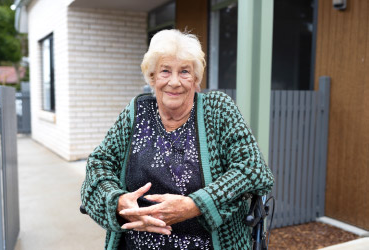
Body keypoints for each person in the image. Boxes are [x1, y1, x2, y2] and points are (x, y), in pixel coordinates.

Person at [81, 29, 274, 250]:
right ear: (152, 77)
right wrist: (118, 202)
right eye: (165, 71)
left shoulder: (218, 109)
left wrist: (195, 205)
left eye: (184, 71)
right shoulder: (136, 112)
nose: (174, 82)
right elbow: (99, 163)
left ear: (196, 80)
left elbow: (253, 169)